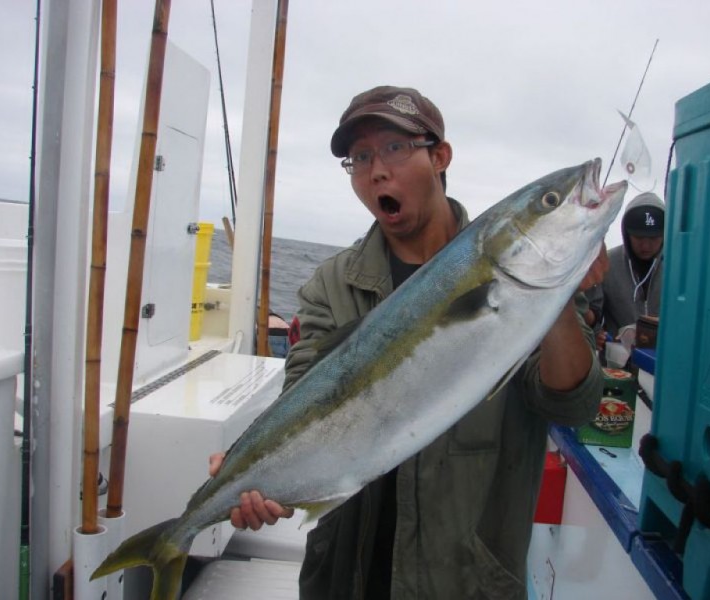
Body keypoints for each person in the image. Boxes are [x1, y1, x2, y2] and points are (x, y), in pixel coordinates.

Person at [210, 85, 607, 599]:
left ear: (439, 156)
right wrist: (262, 477)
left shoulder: (530, 287)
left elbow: (572, 404)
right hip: (344, 579)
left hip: (465, 580)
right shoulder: (332, 284)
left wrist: (558, 299)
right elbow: (304, 402)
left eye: (395, 148)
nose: (376, 170)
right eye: (360, 157)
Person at [599, 192, 665, 338]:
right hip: (619, 358)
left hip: (669, 356)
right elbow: (592, 314)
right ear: (626, 233)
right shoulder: (606, 264)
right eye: (639, 237)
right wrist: (597, 333)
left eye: (654, 238)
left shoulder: (680, 267)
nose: (646, 245)